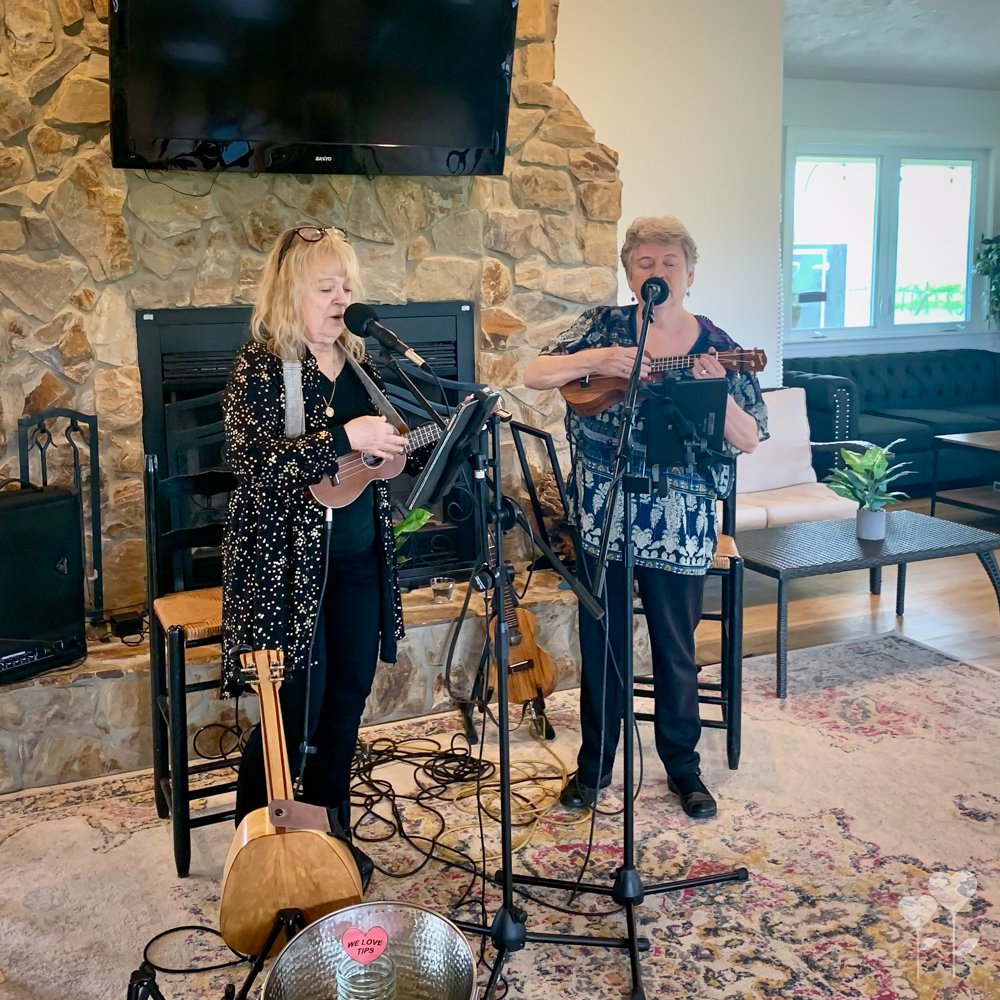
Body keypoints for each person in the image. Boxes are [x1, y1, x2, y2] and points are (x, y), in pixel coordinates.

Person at [523, 216, 768, 819]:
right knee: (599, 640)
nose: (656, 273)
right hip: (604, 507)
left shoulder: (716, 344)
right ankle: (594, 767)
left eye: (669, 263)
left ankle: (683, 769)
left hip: (680, 516)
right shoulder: (604, 326)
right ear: (629, 272)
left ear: (689, 272)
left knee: (674, 646)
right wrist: (603, 359)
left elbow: (751, 438)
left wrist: (718, 393)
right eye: (644, 263)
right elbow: (535, 374)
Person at [221, 225, 417, 867]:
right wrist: (340, 438)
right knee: (296, 699)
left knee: (350, 689)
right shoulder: (260, 365)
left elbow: (378, 452)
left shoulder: (362, 361)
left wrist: (394, 445)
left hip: (359, 558)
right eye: (325, 288)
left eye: (347, 287)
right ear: (290, 294)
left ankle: (328, 828)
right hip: (283, 569)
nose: (340, 299)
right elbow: (250, 464)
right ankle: (258, 844)